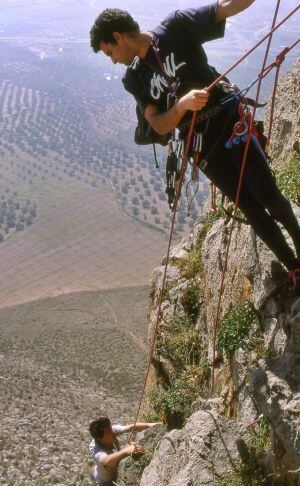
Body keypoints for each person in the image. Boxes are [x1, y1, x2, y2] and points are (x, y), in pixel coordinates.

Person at [90, 1, 300, 290]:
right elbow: (159, 125)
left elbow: (225, 7)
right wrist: (181, 106)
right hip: (201, 146)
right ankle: (294, 267)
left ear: (118, 36)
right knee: (249, 206)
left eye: (110, 51)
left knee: (268, 196)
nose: (113, 59)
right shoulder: (134, 78)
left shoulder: (174, 28)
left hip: (228, 121)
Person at [89, 416, 159, 485]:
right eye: (108, 431)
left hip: (113, 472)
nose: (113, 431)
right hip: (106, 482)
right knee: (109, 464)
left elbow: (132, 427)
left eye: (110, 428)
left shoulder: (110, 431)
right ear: (100, 439)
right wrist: (127, 450)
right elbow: (105, 461)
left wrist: (157, 425)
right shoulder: (96, 449)